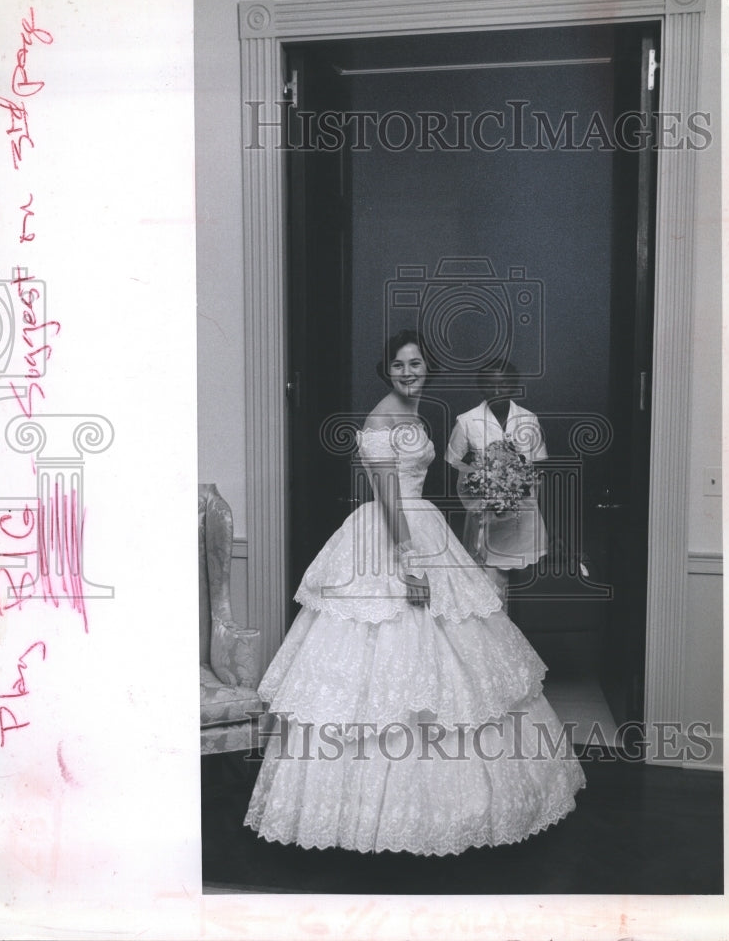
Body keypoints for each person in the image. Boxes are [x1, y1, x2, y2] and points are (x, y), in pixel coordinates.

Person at [244, 330, 584, 855]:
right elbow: (386, 498)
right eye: (400, 366)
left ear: (427, 369)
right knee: (379, 664)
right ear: (386, 371)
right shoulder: (382, 420)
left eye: (417, 364)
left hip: (423, 524)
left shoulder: (417, 414)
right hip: (394, 534)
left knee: (456, 658)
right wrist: (408, 562)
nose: (409, 373)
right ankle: (366, 814)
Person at [446, 360, 548, 606]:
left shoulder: (528, 420)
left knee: (527, 594)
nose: (497, 391)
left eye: (503, 384)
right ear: (482, 388)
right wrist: (480, 486)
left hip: (524, 520)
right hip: (486, 520)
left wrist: (517, 484)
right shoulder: (467, 421)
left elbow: (538, 466)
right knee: (491, 592)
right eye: (490, 385)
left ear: (513, 386)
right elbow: (454, 464)